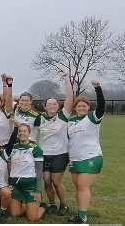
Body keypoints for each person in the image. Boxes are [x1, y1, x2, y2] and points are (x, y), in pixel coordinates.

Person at [66, 80, 105, 224]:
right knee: (78, 187)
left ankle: (82, 218)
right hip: (75, 159)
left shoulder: (92, 118)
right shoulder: (71, 121)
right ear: (75, 108)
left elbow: (101, 106)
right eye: (79, 106)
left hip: (91, 157)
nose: (81, 108)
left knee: (83, 185)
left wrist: (98, 89)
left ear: (88, 107)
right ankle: (80, 213)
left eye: (84, 106)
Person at [39, 72, 73, 216]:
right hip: (44, 154)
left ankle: (63, 205)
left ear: (58, 106)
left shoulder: (63, 116)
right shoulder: (40, 119)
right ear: (45, 107)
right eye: (49, 104)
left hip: (60, 153)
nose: (52, 106)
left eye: (54, 104)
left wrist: (66, 79)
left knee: (56, 180)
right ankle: (52, 203)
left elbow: (70, 97)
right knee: (46, 180)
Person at [5, 121, 45, 222]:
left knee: (33, 218)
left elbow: (39, 171)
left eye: (24, 131)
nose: (22, 133)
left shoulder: (36, 149)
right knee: (14, 214)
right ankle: (28, 207)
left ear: (29, 133)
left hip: (30, 185)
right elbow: (8, 165)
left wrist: (38, 190)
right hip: (15, 185)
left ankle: (43, 207)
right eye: (20, 131)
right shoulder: (13, 148)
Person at [13, 92, 43, 197]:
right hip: (16, 144)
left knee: (31, 171)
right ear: (19, 101)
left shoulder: (36, 116)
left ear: (31, 101)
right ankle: (16, 193)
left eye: (27, 100)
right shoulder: (15, 110)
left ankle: (35, 193)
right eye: (22, 100)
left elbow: (41, 131)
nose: (24, 102)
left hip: (30, 146)